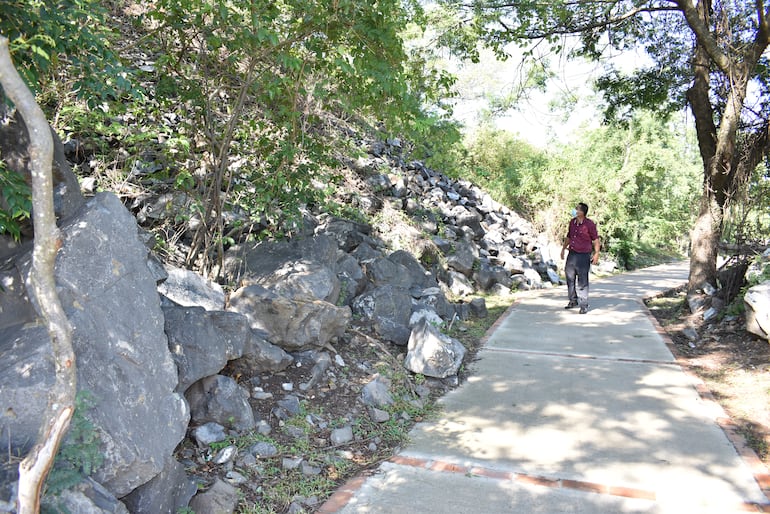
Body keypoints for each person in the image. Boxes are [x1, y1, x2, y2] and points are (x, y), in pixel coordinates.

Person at [560, 202, 600, 314]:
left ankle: (583, 304)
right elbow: (569, 236)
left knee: (582, 280)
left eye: (577, 209)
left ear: (582, 212)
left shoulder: (589, 224)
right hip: (572, 254)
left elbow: (595, 240)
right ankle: (572, 300)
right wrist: (563, 249)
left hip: (583, 255)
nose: (574, 210)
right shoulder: (572, 222)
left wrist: (596, 253)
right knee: (569, 277)